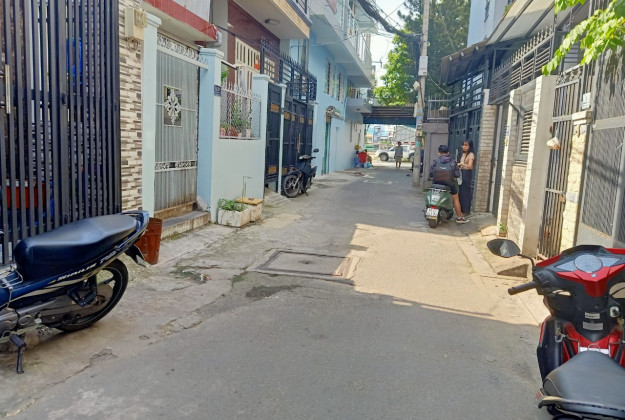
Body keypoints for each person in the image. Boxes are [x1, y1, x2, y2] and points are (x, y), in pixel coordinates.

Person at [429, 144, 469, 224]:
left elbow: (431, 173)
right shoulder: (452, 162)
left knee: (431, 192)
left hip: (436, 183)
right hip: (449, 184)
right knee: (456, 198)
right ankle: (459, 217)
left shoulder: (436, 161)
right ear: (448, 153)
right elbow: (457, 175)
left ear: (438, 153)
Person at [458, 140, 475, 217]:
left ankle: (466, 210)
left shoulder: (471, 155)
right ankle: (461, 209)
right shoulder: (464, 154)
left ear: (470, 146)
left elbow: (470, 166)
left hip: (467, 174)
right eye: (463, 145)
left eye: (466, 145)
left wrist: (462, 164)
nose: (464, 147)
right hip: (462, 173)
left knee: (466, 192)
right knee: (461, 191)